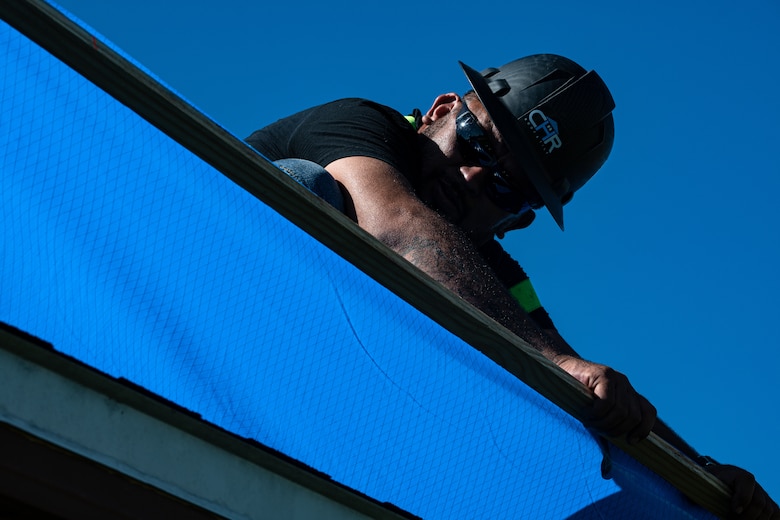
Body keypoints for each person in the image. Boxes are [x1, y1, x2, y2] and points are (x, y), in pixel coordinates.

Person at [246, 54, 778, 519]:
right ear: (440, 109)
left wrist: (700, 474)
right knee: (310, 185)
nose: (473, 178)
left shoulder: (491, 273)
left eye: (508, 187)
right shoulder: (362, 125)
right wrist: (559, 364)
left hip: (314, 401)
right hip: (211, 304)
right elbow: (398, 228)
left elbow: (577, 380)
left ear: (517, 221)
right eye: (476, 143)